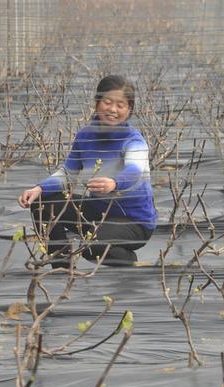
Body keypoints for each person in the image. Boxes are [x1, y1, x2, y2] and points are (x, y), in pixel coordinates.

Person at [18, 75, 156, 268]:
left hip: (133, 222)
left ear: (129, 110)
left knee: (92, 247)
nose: (113, 110)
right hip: (98, 211)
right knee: (42, 204)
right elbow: (68, 173)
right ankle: (61, 266)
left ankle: (127, 262)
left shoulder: (134, 141)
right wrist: (40, 189)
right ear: (97, 103)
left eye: (121, 105)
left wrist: (114, 183)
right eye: (107, 102)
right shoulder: (85, 136)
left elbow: (135, 171)